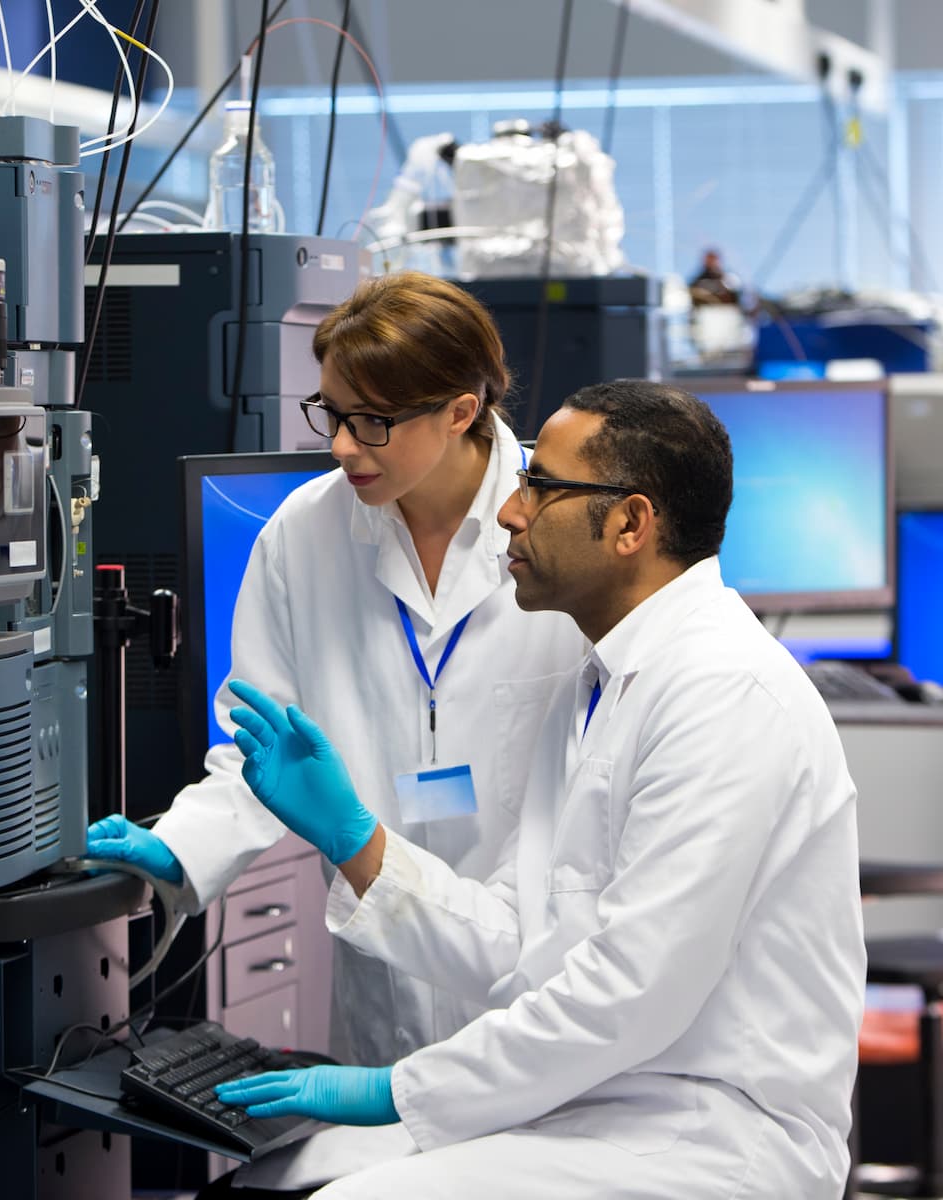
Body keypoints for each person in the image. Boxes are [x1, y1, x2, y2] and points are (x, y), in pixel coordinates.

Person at [215, 379, 866, 1199]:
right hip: (600, 1099)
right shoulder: (600, 688)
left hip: (709, 1127)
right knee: (270, 1178)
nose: (511, 513)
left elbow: (630, 994)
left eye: (542, 487)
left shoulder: (723, 695)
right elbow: (523, 938)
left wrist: (400, 1088)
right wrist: (359, 845)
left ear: (631, 523)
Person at [87, 272, 587, 1067]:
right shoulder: (304, 533)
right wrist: (180, 847)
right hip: (383, 991)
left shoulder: (562, 535)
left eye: (373, 422)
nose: (341, 445)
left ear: (462, 410)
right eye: (332, 413)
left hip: (535, 995)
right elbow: (262, 749)